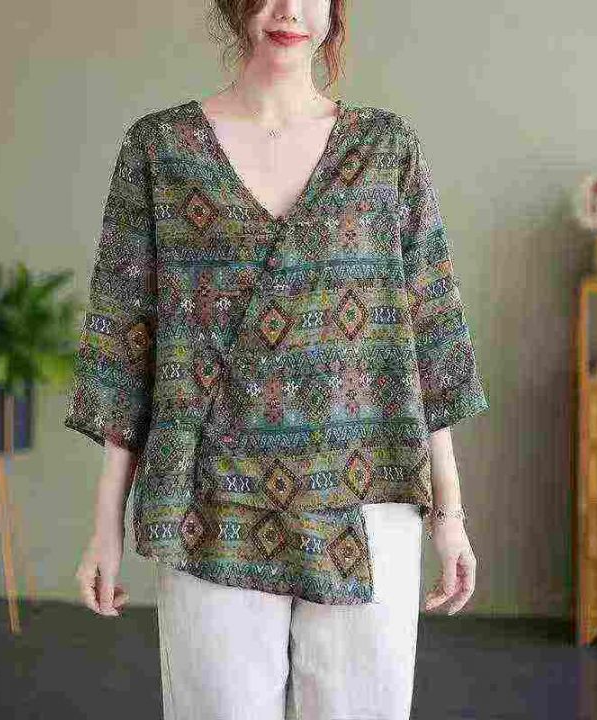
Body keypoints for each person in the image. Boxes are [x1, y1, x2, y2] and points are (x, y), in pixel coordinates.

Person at [66, 1, 489, 718]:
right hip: (208, 502)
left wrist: (449, 515)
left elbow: (430, 339)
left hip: (365, 497)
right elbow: (123, 347)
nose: (290, 10)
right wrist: (104, 526)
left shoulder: (386, 150)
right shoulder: (161, 149)